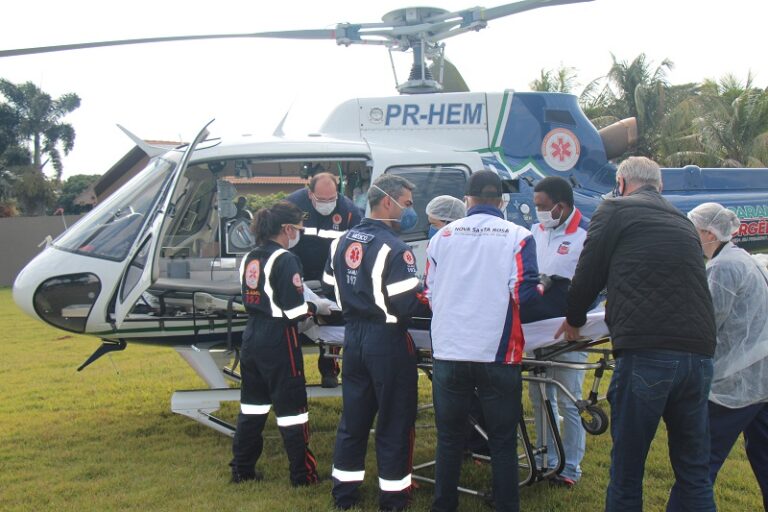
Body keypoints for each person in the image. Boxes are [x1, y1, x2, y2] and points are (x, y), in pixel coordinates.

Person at [555, 156, 717, 512]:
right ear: (659, 186)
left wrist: (574, 318)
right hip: (699, 355)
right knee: (694, 471)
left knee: (627, 469)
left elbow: (589, 270)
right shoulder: (683, 221)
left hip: (647, 352)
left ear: (623, 183)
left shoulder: (615, 208)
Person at [425, 170, 540, 512]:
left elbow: (429, 292)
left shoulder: (441, 237)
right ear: (501, 201)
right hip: (497, 355)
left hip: (448, 351)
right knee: (503, 441)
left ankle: (443, 505)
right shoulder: (518, 236)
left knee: (448, 439)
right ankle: (507, 505)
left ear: (468, 200)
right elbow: (525, 294)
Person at [323, 174, 428, 511]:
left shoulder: (341, 241)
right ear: (389, 202)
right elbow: (408, 305)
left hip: (353, 338)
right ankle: (394, 499)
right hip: (388, 341)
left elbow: (329, 288)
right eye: (408, 204)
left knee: (353, 422)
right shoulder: (396, 249)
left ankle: (344, 495)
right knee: (395, 423)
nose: (411, 211)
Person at [668, 202, 768, 510]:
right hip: (759, 378)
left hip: (733, 384)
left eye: (693, 230)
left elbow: (707, 322)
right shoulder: (740, 259)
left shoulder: (725, 268)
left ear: (709, 233)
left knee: (699, 462)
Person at [229, 201, 327, 486]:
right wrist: (318, 307)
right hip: (279, 339)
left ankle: (241, 469)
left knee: (252, 407)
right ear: (287, 229)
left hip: (252, 336)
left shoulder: (250, 257)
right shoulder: (285, 259)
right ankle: (302, 475)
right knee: (292, 410)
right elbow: (295, 310)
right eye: (298, 228)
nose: (299, 233)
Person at [521, 176, 590, 487]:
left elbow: (591, 282)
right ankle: (545, 456)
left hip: (568, 328)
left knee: (567, 397)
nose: (539, 213)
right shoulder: (536, 232)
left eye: (543, 207)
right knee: (539, 396)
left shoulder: (585, 234)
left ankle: (570, 467)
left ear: (561, 206)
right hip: (537, 328)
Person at [286, 172, 362, 388]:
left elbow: (357, 243)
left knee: (333, 315)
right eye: (322, 199)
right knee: (297, 320)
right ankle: (292, 372)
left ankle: (329, 368)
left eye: (332, 199)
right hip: (297, 266)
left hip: (332, 271)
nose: (328, 204)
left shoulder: (348, 211)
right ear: (310, 194)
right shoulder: (293, 205)